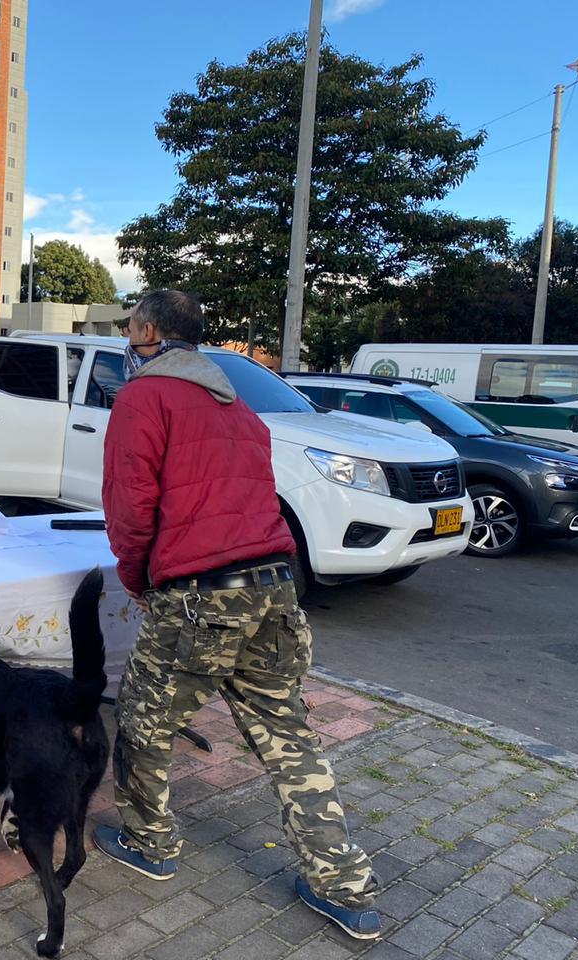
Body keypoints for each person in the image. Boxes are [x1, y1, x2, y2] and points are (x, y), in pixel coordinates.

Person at [94, 290, 381, 940]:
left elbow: (131, 506)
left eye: (129, 328)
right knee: (287, 734)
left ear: (145, 332)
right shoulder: (238, 406)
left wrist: (138, 578)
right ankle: (343, 886)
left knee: (143, 715)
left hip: (201, 589)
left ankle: (150, 842)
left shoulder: (144, 397)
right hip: (274, 585)